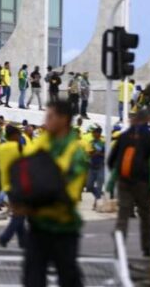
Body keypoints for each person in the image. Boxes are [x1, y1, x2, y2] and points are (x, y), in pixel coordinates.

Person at [20, 100, 87, 287]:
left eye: (50, 116)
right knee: (32, 279)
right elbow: (23, 171)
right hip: (37, 226)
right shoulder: (39, 145)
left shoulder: (76, 152)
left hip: (63, 227)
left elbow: (70, 193)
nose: (45, 120)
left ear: (64, 119)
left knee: (68, 278)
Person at [108, 109, 150, 257]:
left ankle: (119, 250)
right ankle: (146, 249)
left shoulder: (124, 136)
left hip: (124, 181)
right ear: (147, 120)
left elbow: (111, 160)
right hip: (143, 182)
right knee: (145, 216)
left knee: (123, 216)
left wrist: (118, 175)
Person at [0, 125, 26, 248]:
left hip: (6, 185)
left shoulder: (1, 147)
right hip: (18, 185)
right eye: (19, 135)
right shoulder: (19, 147)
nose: (20, 137)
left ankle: (23, 242)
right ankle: (4, 238)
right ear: (14, 136)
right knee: (19, 215)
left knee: (19, 213)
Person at [84, 126, 105, 210]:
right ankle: (99, 196)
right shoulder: (91, 142)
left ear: (98, 134)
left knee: (99, 186)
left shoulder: (104, 142)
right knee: (89, 186)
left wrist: (98, 153)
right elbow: (89, 153)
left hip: (101, 166)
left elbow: (107, 153)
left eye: (94, 132)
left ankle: (97, 202)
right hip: (92, 167)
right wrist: (96, 153)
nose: (92, 134)